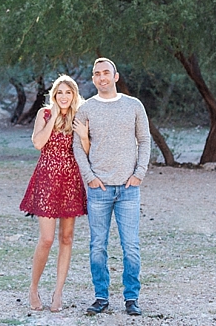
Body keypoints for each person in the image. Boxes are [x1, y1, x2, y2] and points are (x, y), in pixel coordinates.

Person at [72, 58, 150, 317]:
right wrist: (90, 177)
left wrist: (139, 174)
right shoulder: (86, 110)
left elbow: (144, 140)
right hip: (99, 189)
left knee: (131, 247)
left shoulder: (134, 105)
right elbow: (78, 147)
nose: (102, 77)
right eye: (97, 74)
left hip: (129, 189)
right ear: (93, 79)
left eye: (106, 73)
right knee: (98, 246)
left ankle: (131, 298)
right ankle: (101, 297)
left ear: (116, 77)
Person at [19, 74, 88, 312]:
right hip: (47, 179)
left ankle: (58, 292)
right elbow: (38, 143)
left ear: (75, 95)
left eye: (68, 93)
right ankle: (33, 287)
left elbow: (87, 150)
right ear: (54, 95)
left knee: (67, 238)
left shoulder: (80, 116)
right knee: (47, 239)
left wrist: (83, 135)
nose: (64, 97)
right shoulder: (44, 114)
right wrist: (55, 117)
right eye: (60, 93)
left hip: (70, 180)